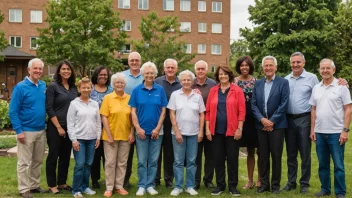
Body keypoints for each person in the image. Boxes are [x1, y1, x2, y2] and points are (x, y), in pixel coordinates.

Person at [309, 59, 351, 198]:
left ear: (333, 70)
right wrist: (312, 129)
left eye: (328, 68)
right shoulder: (316, 88)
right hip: (320, 132)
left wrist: (345, 130)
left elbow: (348, 109)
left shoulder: (341, 87)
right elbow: (313, 110)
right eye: (322, 68)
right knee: (323, 164)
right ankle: (325, 189)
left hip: (336, 133)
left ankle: (340, 192)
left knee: (338, 165)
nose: (325, 71)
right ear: (319, 70)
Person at [9, 58, 47, 198]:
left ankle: (34, 185)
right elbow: (13, 111)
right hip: (26, 130)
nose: (38, 71)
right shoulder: (20, 87)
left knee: (37, 161)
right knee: (24, 162)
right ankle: (24, 189)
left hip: (41, 130)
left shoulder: (43, 85)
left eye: (40, 69)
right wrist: (19, 131)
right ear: (29, 70)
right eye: (35, 68)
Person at [205, 66, 246, 196]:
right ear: (217, 76)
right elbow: (208, 111)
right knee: (218, 159)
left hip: (233, 131)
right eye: (220, 74)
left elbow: (242, 111)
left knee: (233, 159)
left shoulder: (237, 90)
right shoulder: (213, 91)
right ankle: (220, 185)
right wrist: (207, 129)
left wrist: (239, 128)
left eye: (225, 74)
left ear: (230, 75)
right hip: (216, 131)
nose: (223, 76)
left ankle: (233, 186)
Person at [251, 56, 289, 194]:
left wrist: (271, 121)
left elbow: (284, 104)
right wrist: (262, 120)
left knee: (276, 156)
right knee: (263, 156)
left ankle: (276, 186)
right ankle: (264, 184)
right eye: (265, 65)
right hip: (261, 126)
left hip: (277, 126)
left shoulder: (283, 82)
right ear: (263, 68)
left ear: (275, 67)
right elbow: (253, 104)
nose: (268, 68)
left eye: (270, 65)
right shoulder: (258, 83)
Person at [129, 61, 168, 196]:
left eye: (152, 73)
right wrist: (138, 128)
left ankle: (150, 185)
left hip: (157, 132)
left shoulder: (160, 90)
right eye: (147, 73)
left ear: (155, 74)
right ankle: (141, 185)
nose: (149, 75)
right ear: (142, 74)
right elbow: (133, 111)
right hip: (141, 132)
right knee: (141, 160)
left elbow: (163, 111)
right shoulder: (136, 90)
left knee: (153, 161)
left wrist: (157, 128)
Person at [282, 52, 319, 194]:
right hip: (288, 120)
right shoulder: (286, 79)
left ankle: (304, 183)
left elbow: (319, 95)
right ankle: (291, 182)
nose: (295, 65)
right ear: (290, 63)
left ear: (304, 63)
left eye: (298, 62)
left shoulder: (312, 78)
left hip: (304, 118)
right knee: (291, 154)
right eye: (293, 62)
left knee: (305, 153)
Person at [168, 70, 205, 196]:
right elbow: (172, 113)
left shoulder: (198, 96)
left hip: (194, 133)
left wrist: (201, 131)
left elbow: (202, 115)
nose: (186, 82)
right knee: (178, 161)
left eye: (189, 80)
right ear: (180, 81)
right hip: (178, 133)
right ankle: (178, 186)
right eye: (183, 80)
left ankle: (190, 186)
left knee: (191, 161)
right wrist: (176, 131)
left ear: (193, 81)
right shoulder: (175, 95)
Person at [100, 73, 135, 197]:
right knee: (110, 162)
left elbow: (132, 118)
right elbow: (104, 117)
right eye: (117, 83)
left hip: (125, 136)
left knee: (122, 162)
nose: (119, 84)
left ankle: (119, 186)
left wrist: (132, 133)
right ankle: (109, 187)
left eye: (122, 83)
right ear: (113, 85)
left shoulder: (130, 98)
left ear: (125, 85)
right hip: (110, 136)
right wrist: (109, 135)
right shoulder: (108, 98)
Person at [46, 60, 78, 194]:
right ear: (59, 71)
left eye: (68, 69)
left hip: (70, 128)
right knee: (53, 156)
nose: (66, 71)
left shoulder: (73, 88)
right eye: (63, 69)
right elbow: (49, 108)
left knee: (65, 156)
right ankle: (52, 185)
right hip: (55, 127)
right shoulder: (53, 87)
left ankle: (62, 182)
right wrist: (58, 127)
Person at [67, 77, 102, 198]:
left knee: (88, 164)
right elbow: (70, 123)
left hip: (92, 139)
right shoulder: (74, 104)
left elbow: (98, 122)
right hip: (79, 139)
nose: (86, 89)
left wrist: (98, 137)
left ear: (91, 89)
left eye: (88, 87)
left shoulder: (95, 104)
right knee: (80, 164)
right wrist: (74, 140)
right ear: (79, 89)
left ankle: (85, 186)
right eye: (83, 87)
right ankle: (76, 189)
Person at [233, 56, 261, 189]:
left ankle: (259, 180)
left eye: (247, 65)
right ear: (239, 67)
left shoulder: (257, 82)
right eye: (242, 65)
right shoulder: (233, 82)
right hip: (238, 120)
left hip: (254, 120)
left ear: (250, 67)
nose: (244, 67)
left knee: (255, 151)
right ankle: (246, 181)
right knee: (234, 151)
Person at [154, 58, 182, 188]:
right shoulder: (157, 82)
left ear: (176, 69)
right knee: (156, 152)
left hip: (174, 122)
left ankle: (169, 178)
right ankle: (155, 178)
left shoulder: (181, 83)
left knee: (170, 152)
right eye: (168, 67)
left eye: (172, 67)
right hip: (158, 121)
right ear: (164, 69)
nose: (170, 70)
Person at [192, 60, 217, 190]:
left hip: (210, 124)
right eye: (198, 69)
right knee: (196, 155)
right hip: (194, 124)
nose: (200, 71)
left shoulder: (213, 84)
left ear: (207, 70)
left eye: (203, 69)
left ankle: (208, 180)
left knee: (210, 154)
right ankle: (196, 180)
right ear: (195, 70)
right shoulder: (190, 83)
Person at [122, 52, 144, 188]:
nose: (134, 62)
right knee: (127, 155)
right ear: (128, 62)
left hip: (143, 119)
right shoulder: (121, 76)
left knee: (143, 155)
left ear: (140, 62)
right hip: (125, 120)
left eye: (137, 60)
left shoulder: (147, 75)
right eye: (132, 60)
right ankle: (124, 180)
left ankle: (146, 181)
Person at [90, 66, 113, 189]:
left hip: (108, 126)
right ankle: (95, 179)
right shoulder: (90, 89)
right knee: (95, 154)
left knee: (108, 155)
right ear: (96, 75)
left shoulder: (111, 90)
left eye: (105, 75)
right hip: (93, 126)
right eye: (101, 74)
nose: (103, 76)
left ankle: (109, 179)